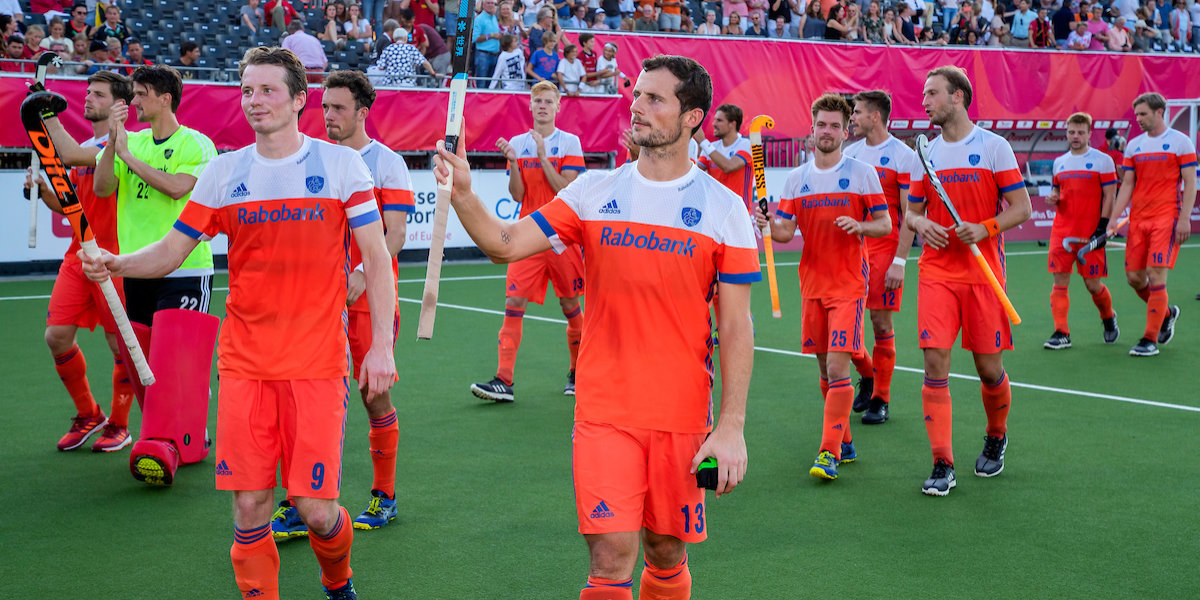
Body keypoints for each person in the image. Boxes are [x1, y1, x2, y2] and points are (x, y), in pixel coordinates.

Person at [436, 52, 755, 600]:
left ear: (692, 117)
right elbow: (504, 244)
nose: (637, 106)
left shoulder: (724, 209)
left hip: (681, 413)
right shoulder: (593, 191)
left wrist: (730, 427)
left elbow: (736, 326)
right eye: (637, 95)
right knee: (610, 556)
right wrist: (464, 193)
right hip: (604, 408)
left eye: (654, 98)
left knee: (665, 550)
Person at [82, 46, 396, 600]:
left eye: (268, 90)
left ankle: (337, 579)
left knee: (315, 509)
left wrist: (382, 346)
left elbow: (375, 256)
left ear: (298, 100)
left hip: (317, 366)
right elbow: (171, 251)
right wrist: (117, 262)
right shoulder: (224, 173)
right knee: (250, 506)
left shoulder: (341, 166)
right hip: (245, 367)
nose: (255, 100)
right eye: (247, 90)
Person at [271, 70, 412, 537]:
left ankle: (385, 495)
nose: (328, 116)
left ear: (362, 112)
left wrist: (361, 273)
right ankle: (298, 501)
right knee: (302, 398)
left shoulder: (387, 162)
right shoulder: (311, 158)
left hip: (369, 299)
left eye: (338, 108)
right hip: (316, 303)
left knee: (374, 396)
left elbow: (395, 234)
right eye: (325, 107)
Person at [905, 65, 1032, 496]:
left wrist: (985, 228)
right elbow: (912, 213)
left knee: (988, 368)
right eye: (925, 94)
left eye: (932, 93)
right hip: (937, 271)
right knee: (934, 363)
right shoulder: (926, 154)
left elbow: (1022, 208)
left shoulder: (994, 147)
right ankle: (942, 463)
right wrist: (922, 225)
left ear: (957, 96)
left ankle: (996, 435)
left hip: (983, 273)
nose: (925, 102)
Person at [763, 93, 890, 482]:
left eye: (836, 125)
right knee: (825, 367)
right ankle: (845, 440)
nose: (828, 131)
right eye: (822, 125)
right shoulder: (797, 179)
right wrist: (766, 223)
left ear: (846, 131)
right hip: (812, 283)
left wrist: (860, 226)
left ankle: (828, 452)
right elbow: (785, 232)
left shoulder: (862, 173)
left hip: (849, 283)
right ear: (812, 128)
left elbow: (884, 224)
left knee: (836, 366)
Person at [25, 71, 137, 453]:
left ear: (120, 105)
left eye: (98, 94)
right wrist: (43, 192)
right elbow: (70, 205)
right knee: (56, 336)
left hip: (114, 257)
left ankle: (120, 425)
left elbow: (68, 154)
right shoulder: (88, 145)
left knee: (119, 345)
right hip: (78, 255)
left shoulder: (124, 143)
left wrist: (43, 110)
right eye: (88, 92)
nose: (88, 98)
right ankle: (89, 414)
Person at [470, 80, 586, 402]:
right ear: (531, 106)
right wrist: (512, 162)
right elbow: (518, 195)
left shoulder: (570, 142)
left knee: (570, 305)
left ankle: (578, 371)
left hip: (563, 236)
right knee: (513, 303)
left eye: (548, 101)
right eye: (538, 101)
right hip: (528, 234)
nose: (543, 106)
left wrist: (543, 157)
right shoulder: (518, 143)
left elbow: (566, 190)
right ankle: (503, 380)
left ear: (558, 106)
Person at [90, 63, 216, 329]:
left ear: (165, 99)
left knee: (176, 353)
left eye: (141, 94)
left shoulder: (196, 143)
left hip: (185, 270)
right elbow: (101, 188)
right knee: (143, 354)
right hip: (137, 269)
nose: (133, 101)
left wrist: (126, 156)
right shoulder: (131, 141)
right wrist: (112, 141)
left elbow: (177, 188)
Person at [841, 90, 921, 425]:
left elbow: (909, 215)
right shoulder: (850, 154)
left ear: (875, 116)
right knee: (845, 323)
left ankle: (881, 398)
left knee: (880, 322)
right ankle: (868, 373)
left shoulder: (903, 156)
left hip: (885, 249)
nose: (852, 118)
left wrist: (899, 262)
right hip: (850, 251)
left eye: (857, 112)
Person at [1107, 92, 1196, 356]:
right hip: (1138, 220)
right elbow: (1128, 184)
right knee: (1135, 278)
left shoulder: (1181, 142)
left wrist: (1184, 219)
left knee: (1155, 275)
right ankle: (1166, 313)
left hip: (1167, 219)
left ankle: (1150, 339)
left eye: (1143, 114)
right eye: (1137, 114)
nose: (1138, 119)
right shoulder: (1134, 145)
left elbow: (1190, 182)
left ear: (1159, 112)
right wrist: (1113, 218)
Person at [1042, 112, 1119, 351]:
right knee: (1059, 282)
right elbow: (1057, 190)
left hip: (1090, 234)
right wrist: (1053, 197)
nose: (1075, 136)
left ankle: (1108, 316)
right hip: (1062, 232)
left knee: (1092, 285)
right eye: (1071, 132)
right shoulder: (1059, 162)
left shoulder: (1103, 161)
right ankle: (1061, 332)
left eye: (1080, 132)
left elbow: (1110, 195)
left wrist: (1103, 227)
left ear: (1089, 133)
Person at [694, 103, 753, 209]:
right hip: (715, 210)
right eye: (714, 120)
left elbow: (729, 167)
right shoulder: (711, 147)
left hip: (738, 211)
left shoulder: (746, 145)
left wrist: (703, 142)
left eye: (719, 120)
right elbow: (695, 173)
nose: (714, 124)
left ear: (732, 124)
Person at [475, 0, 502, 85]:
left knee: (491, 85)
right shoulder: (479, 19)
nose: (491, 5)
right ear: (483, 5)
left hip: (495, 55)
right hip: (483, 56)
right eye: (488, 3)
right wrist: (491, 35)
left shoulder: (494, 17)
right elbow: (475, 38)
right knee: (482, 84)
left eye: (492, 3)